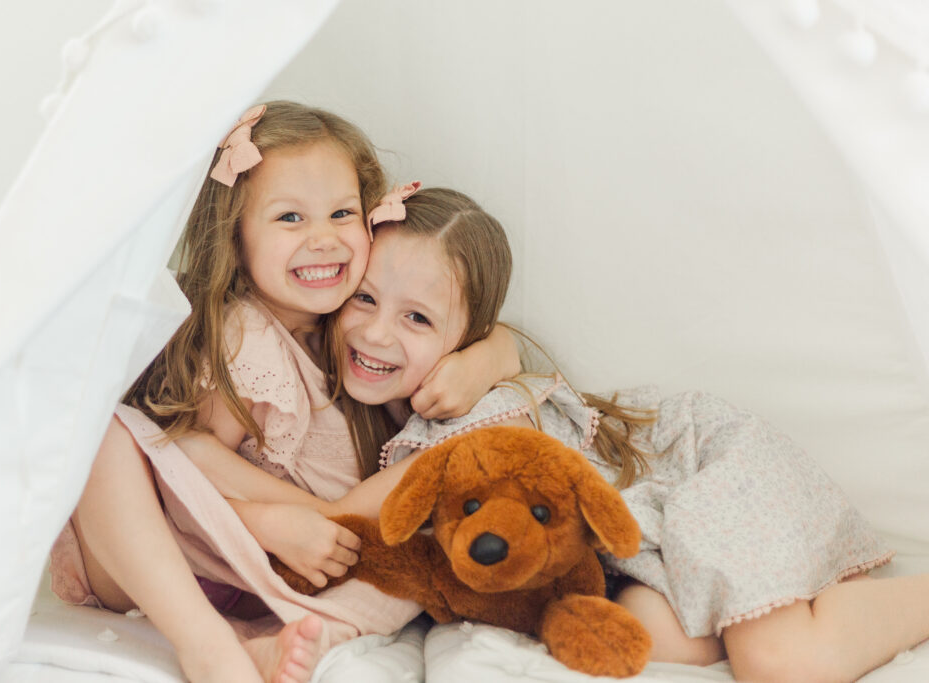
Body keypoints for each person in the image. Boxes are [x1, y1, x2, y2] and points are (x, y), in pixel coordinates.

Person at [323, 185, 929, 683]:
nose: (375, 333)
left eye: (417, 317)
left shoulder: (479, 425)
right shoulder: (434, 395)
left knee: (782, 666)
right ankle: (819, 602)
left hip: (699, 468)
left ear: (470, 334)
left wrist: (238, 495)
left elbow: (333, 526)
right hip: (643, 551)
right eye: (364, 298)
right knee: (652, 639)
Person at [49, 103, 519, 683]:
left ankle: (259, 645)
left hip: (269, 576)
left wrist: (491, 356)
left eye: (342, 213)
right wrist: (269, 523)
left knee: (416, 541)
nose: (323, 239)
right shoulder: (242, 337)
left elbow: (475, 326)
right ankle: (208, 648)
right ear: (236, 236)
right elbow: (188, 473)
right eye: (290, 218)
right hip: (162, 560)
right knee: (105, 435)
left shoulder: (351, 322)